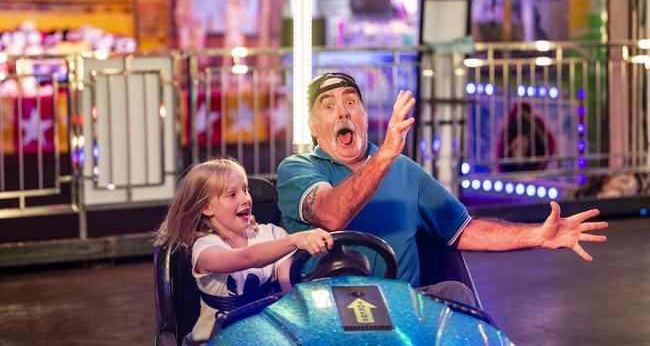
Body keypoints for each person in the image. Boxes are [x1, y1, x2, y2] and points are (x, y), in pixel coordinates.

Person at [277, 72, 608, 305]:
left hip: (399, 307)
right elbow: (331, 214)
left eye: (350, 102)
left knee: (456, 294)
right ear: (313, 125)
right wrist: (388, 153)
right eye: (328, 106)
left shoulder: (404, 170)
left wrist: (539, 236)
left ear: (363, 115)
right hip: (326, 312)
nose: (342, 112)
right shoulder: (299, 168)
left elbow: (463, 230)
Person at [155, 158, 333, 345]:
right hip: (213, 340)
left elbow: (288, 288)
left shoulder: (272, 234)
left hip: (265, 338)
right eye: (232, 194)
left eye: (245, 190)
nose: (245, 199)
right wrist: (294, 239)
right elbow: (247, 258)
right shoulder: (205, 248)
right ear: (206, 207)